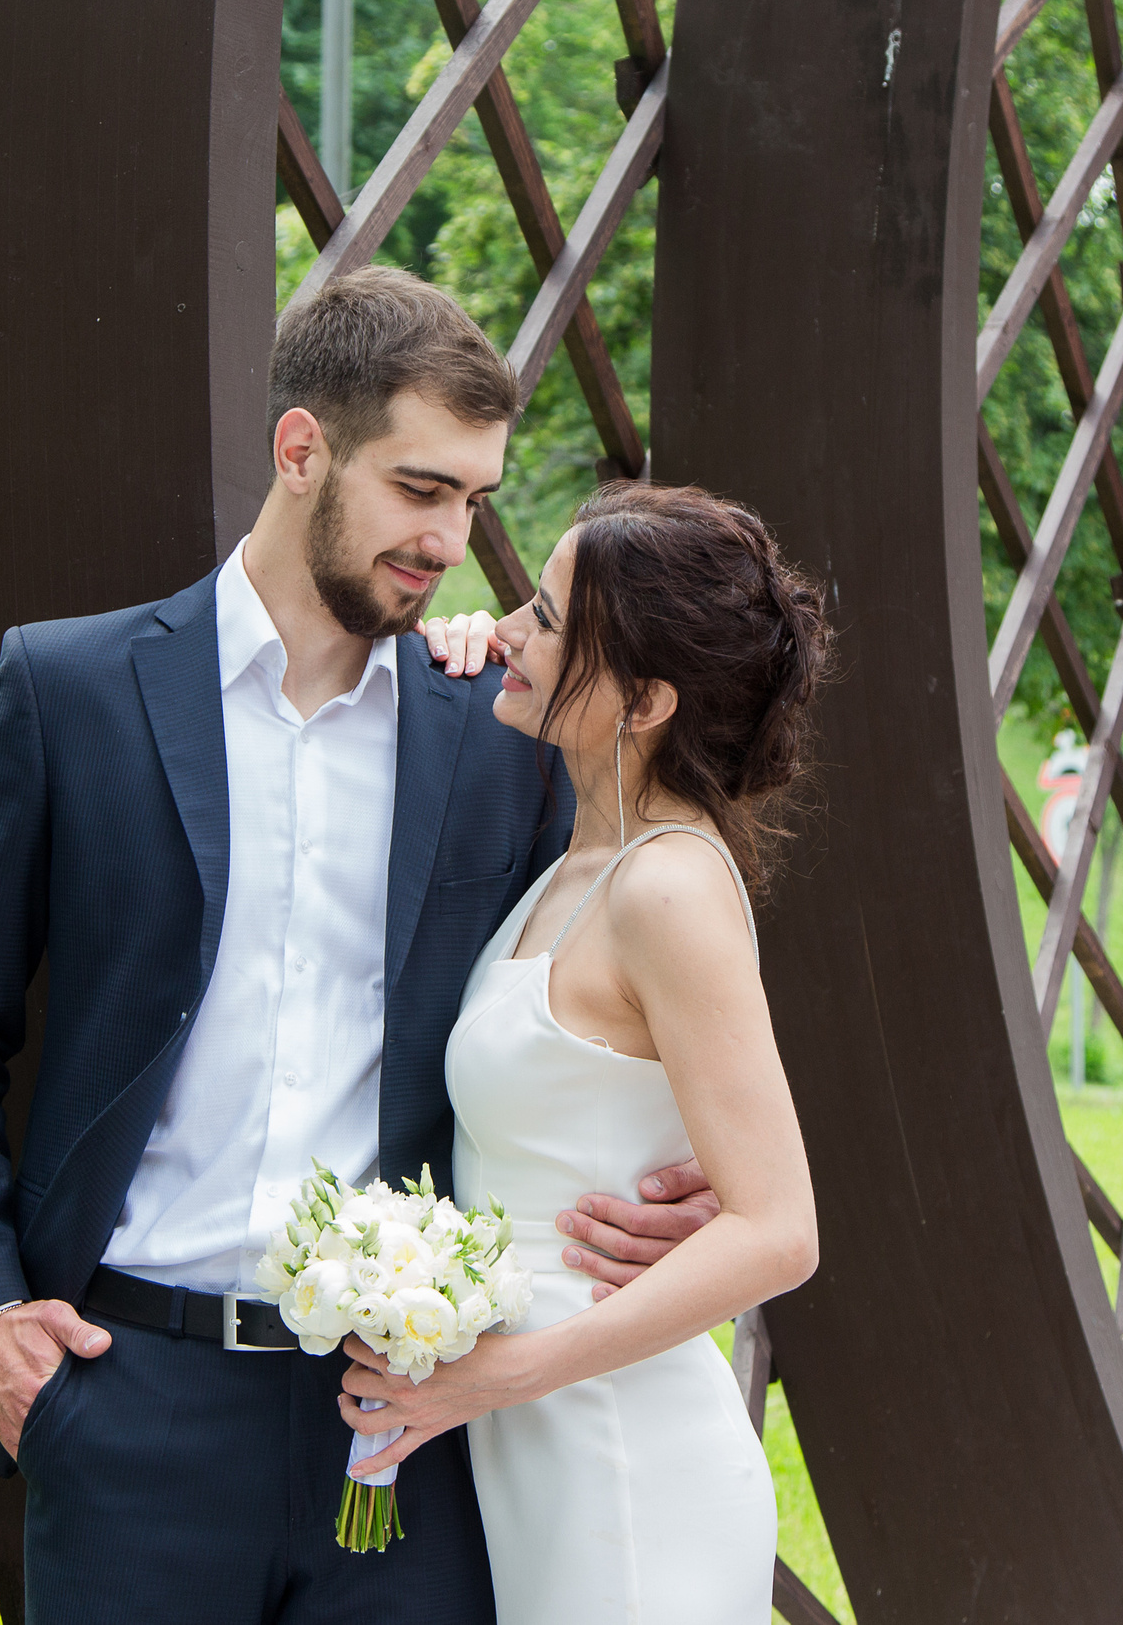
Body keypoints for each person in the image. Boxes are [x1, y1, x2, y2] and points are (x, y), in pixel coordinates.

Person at [0, 268, 720, 1624]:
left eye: (473, 501)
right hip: (128, 1394)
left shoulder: (491, 738)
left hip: (403, 1418)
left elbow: (605, 980)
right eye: (420, 488)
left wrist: (668, 1173)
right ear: (300, 449)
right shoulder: (69, 690)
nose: (450, 538)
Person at [351, 484, 830, 1624]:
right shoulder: (576, 864)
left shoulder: (666, 886)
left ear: (648, 698)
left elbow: (779, 1231)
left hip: (622, 1449)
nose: (509, 629)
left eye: (547, 619)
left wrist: (495, 1376)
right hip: (533, 1443)